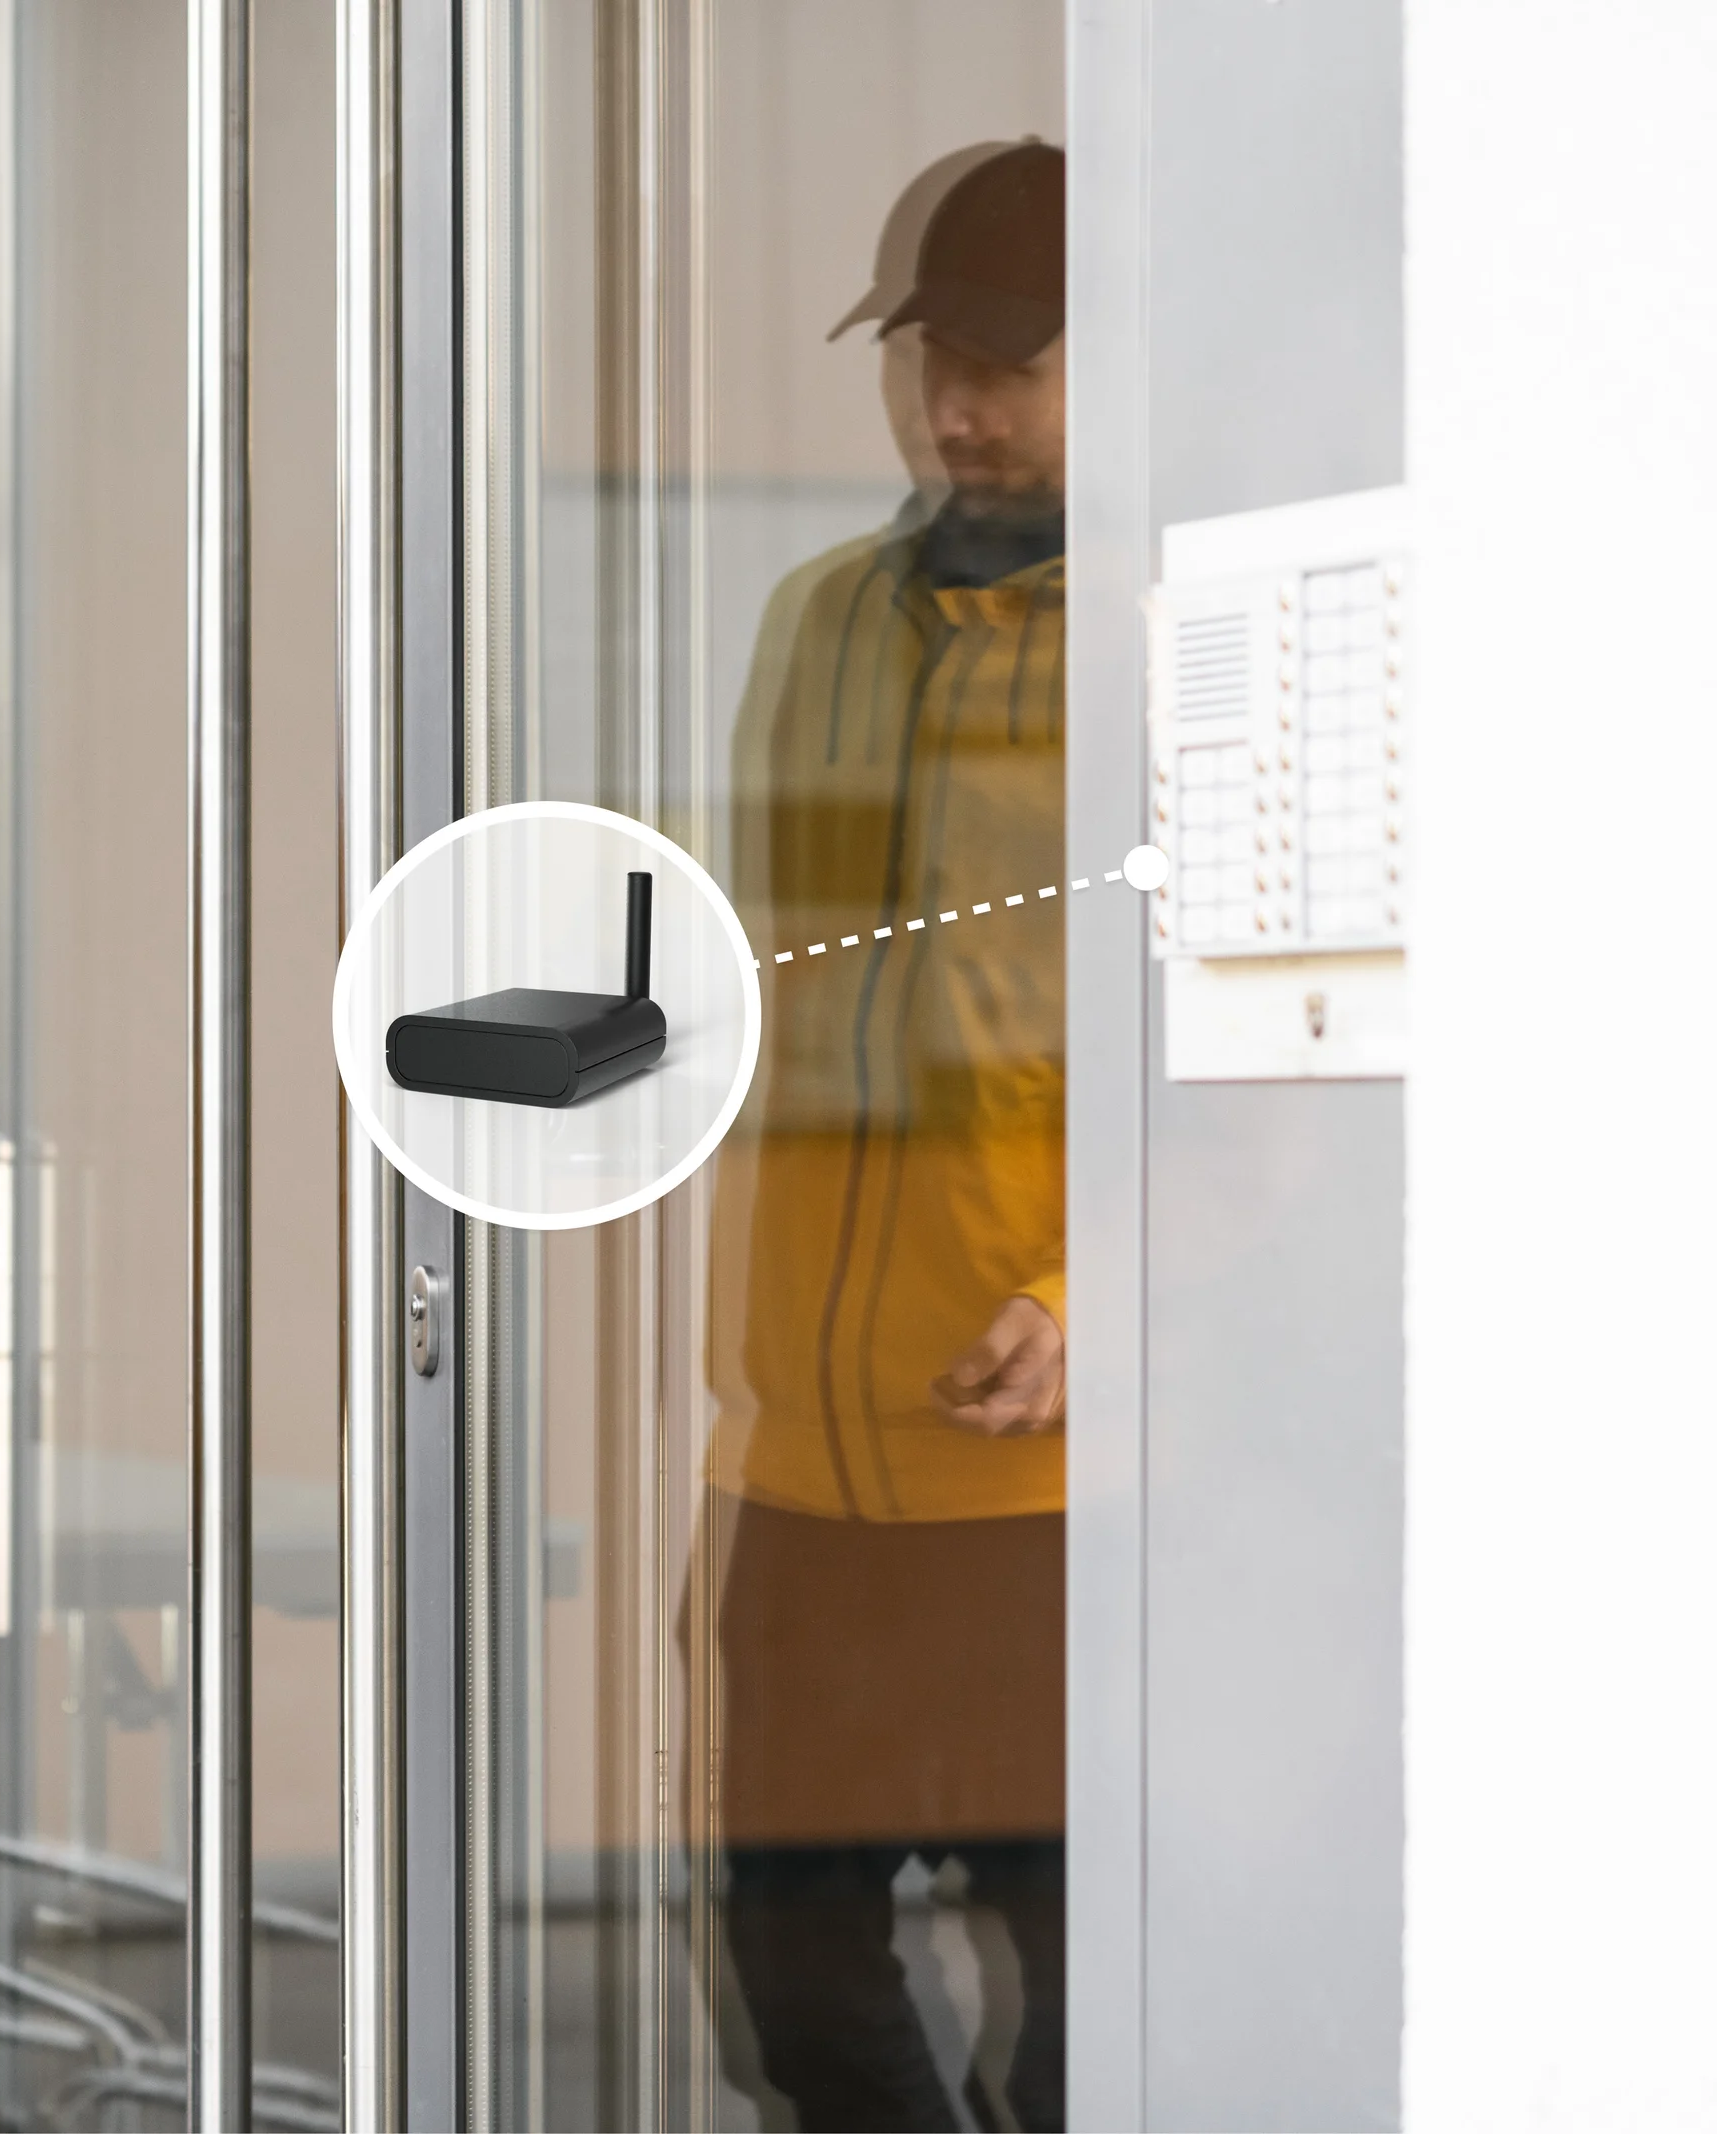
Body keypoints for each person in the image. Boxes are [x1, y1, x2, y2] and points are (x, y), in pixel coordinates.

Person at [704, 140, 1070, 2131]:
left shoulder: (1173, 639)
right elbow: (772, 978)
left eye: (1011, 357)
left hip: (1046, 1484)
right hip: (797, 1463)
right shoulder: (816, 619)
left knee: (1076, 1999)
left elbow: (1260, 1074)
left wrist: (1098, 1297)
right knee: (785, 1973)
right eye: (927, 353)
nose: (955, 404)